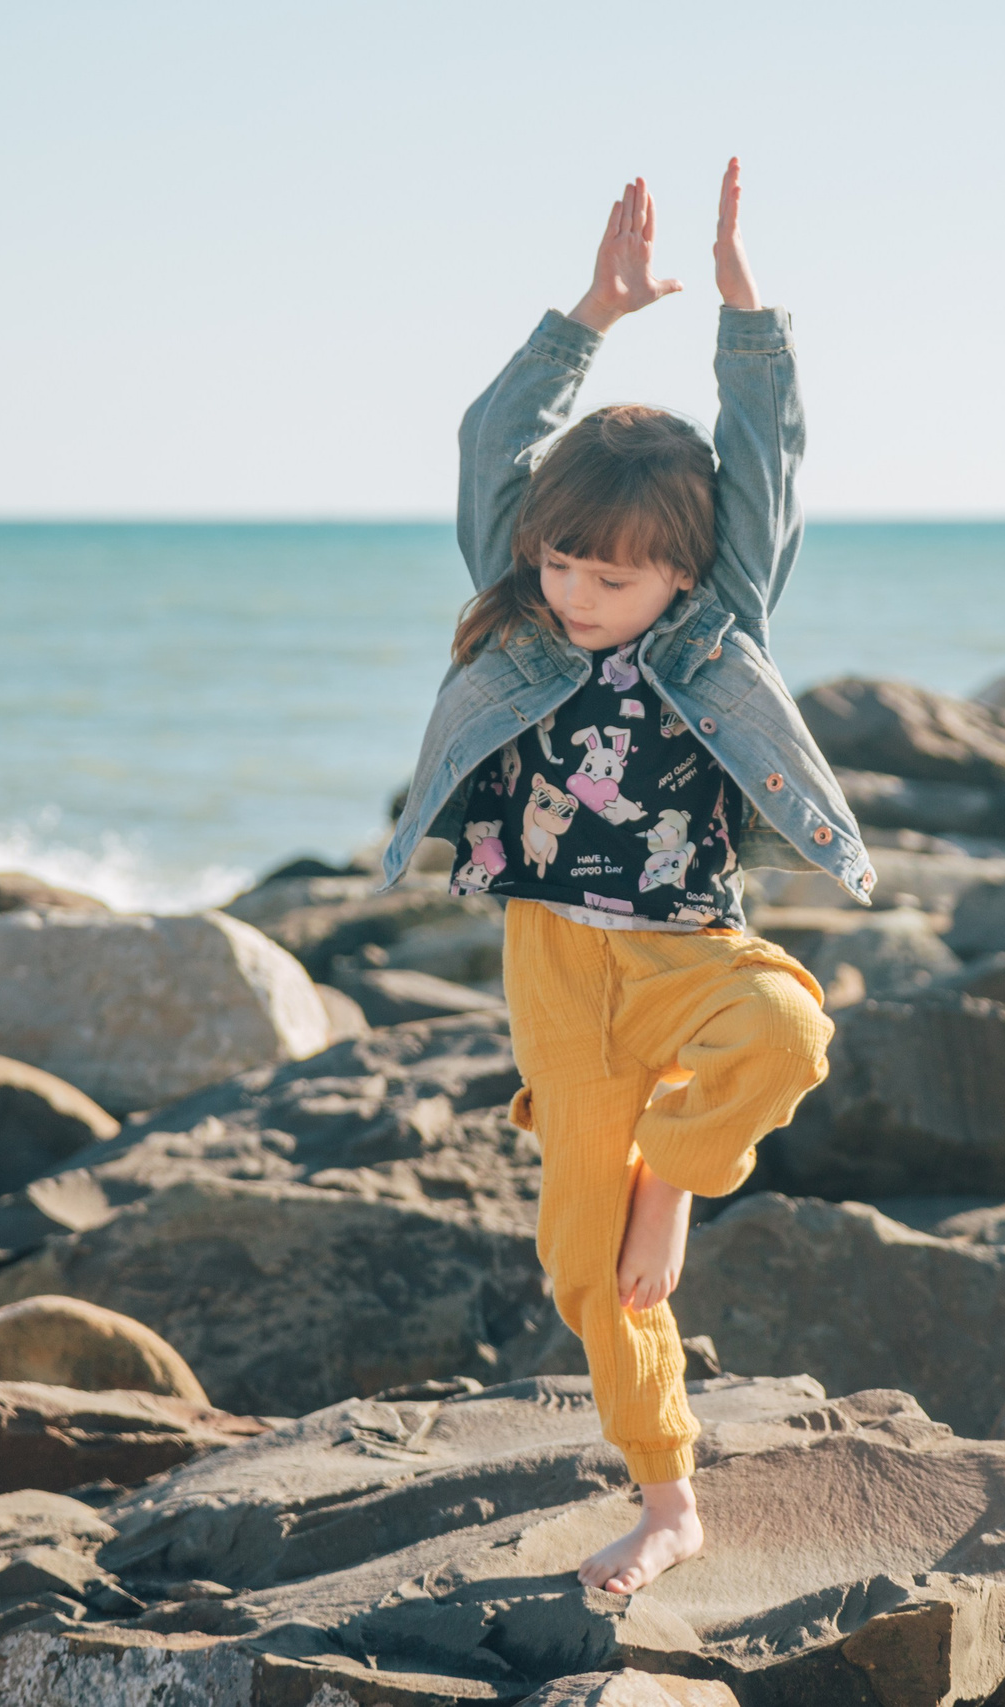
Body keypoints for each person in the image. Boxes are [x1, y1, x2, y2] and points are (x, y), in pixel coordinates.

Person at [378, 161, 871, 1594]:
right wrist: (591, 311)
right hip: (556, 968)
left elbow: (767, 461)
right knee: (590, 1270)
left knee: (790, 1033)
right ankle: (669, 1501)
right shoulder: (519, 612)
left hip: (686, 951)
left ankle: (681, 1171)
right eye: (559, 565)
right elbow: (495, 440)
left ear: (681, 575)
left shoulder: (719, 627)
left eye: (610, 579)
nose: (576, 596)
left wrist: (742, 315)